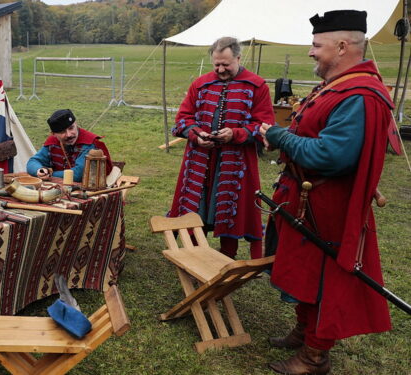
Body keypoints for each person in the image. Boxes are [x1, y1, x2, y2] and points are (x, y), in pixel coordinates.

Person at [259, 10, 392, 374]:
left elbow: (332, 156)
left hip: (330, 208)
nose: (311, 52)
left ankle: (314, 356)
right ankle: (304, 332)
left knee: (324, 280)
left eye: (317, 45)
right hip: (307, 201)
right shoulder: (337, 87)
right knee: (305, 273)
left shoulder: (359, 95)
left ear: (342, 46)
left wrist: (279, 135)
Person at [167, 37, 274, 259]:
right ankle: (195, 254)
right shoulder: (200, 83)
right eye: (216, 64)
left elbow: (264, 125)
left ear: (238, 58)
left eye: (226, 64)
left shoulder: (257, 85)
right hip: (200, 158)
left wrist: (235, 134)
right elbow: (183, 118)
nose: (221, 69)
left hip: (236, 162)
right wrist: (196, 136)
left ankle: (227, 256)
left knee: (229, 208)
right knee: (198, 204)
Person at [27, 109, 113, 181]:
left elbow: (78, 174)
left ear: (76, 124)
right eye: (62, 132)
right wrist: (39, 171)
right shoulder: (52, 142)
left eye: (71, 128)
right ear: (54, 134)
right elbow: (33, 162)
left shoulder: (89, 143)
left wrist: (50, 173)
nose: (68, 134)